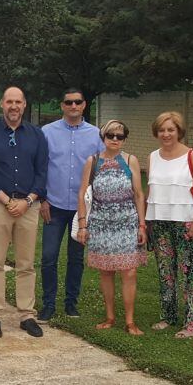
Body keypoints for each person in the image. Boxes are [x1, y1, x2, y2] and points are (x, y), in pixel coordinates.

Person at [0, 86, 48, 338]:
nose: (14, 106)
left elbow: (42, 172)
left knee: (26, 263)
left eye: (18, 102)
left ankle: (26, 315)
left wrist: (28, 200)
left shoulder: (37, 135)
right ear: (2, 104)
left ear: (24, 105)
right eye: (9, 101)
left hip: (29, 205)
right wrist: (7, 201)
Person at [75, 120, 147, 336]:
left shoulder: (130, 160)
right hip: (101, 224)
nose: (115, 139)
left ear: (124, 139)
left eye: (120, 136)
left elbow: (138, 194)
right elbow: (82, 193)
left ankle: (130, 321)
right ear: (103, 137)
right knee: (106, 271)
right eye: (110, 135)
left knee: (129, 271)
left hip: (127, 222)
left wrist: (142, 225)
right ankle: (110, 316)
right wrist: (82, 225)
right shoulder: (93, 161)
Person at [38, 88, 103, 322]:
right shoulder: (47, 132)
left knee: (76, 258)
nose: (73, 106)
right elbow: (40, 168)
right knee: (48, 257)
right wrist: (42, 198)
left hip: (81, 209)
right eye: (69, 102)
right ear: (62, 105)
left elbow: (100, 170)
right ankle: (48, 304)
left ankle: (71, 304)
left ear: (84, 105)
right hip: (53, 205)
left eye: (78, 102)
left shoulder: (96, 135)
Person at [146, 112, 193, 338]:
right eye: (162, 130)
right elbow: (151, 190)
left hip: (186, 221)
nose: (166, 134)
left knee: (190, 272)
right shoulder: (153, 156)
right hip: (160, 222)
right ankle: (168, 315)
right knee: (166, 272)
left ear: (179, 131)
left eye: (171, 129)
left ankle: (191, 321)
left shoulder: (192, 156)